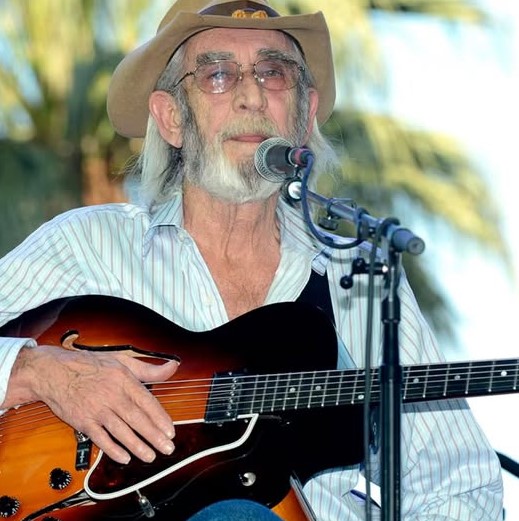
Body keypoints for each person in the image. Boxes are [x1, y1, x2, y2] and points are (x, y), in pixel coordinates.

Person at [0, 1, 504, 520]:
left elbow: (459, 486)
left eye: (273, 73)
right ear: (172, 118)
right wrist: (41, 371)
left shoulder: (363, 280)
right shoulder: (88, 244)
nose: (252, 95)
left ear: (304, 115)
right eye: (218, 75)